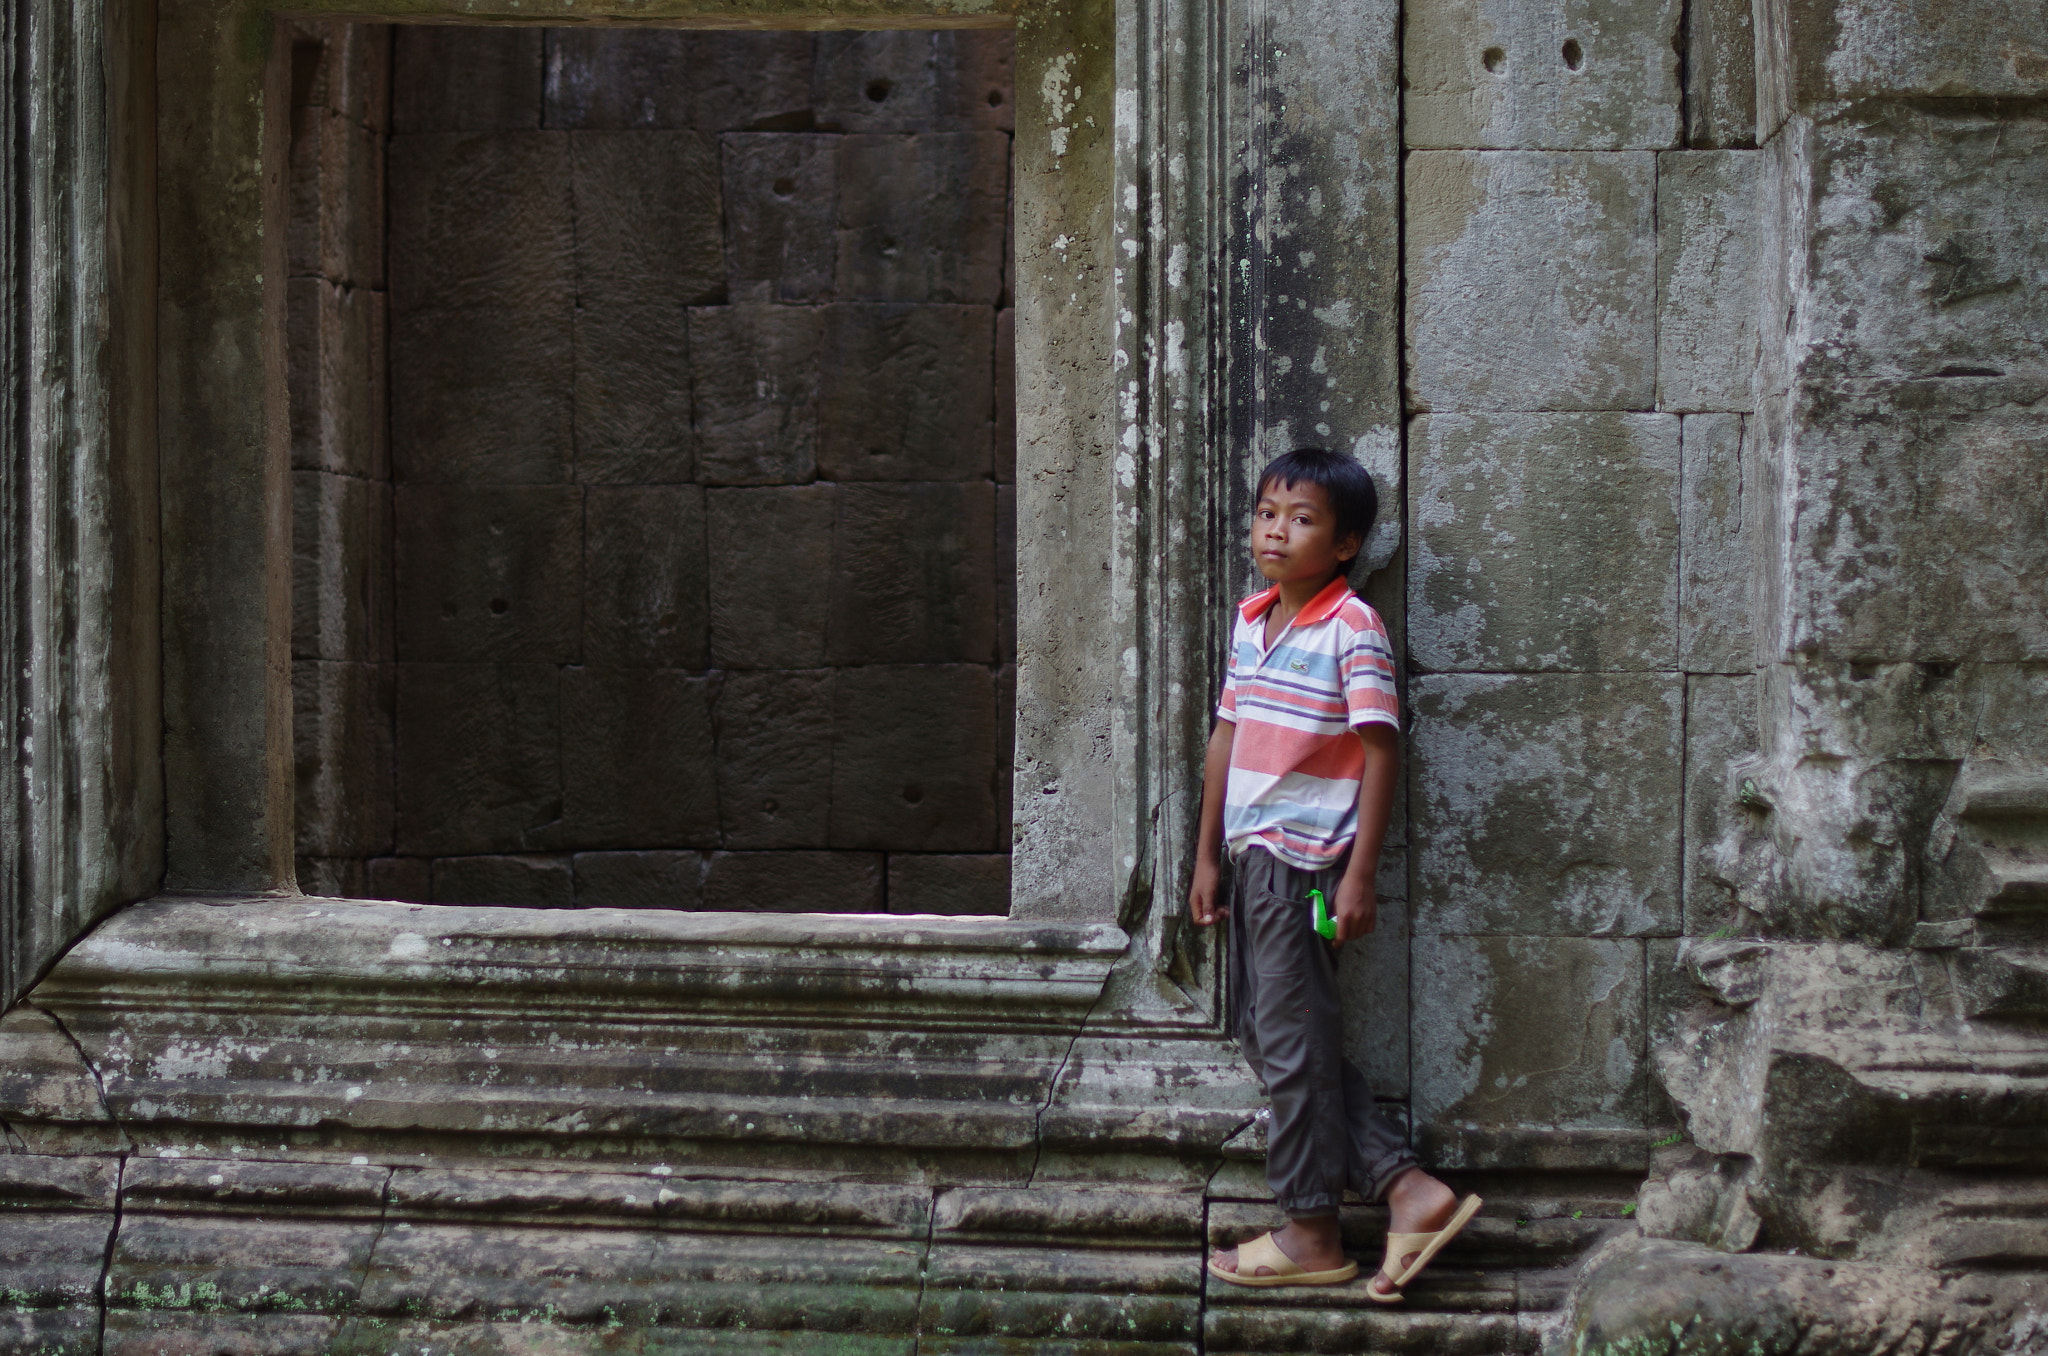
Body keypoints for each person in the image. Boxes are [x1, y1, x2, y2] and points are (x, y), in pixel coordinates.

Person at [1191, 447, 1480, 1300]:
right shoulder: (1253, 622)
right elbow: (1225, 739)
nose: (1277, 530)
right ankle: (1406, 1187)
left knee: (1288, 1043)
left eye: (1303, 518)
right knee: (1273, 1033)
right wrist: (1207, 855)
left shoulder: (1351, 627)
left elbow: (1381, 748)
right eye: (1268, 512)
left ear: (1346, 543)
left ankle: (1312, 1228)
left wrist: (1359, 876)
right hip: (1253, 859)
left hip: (1306, 863)